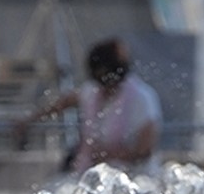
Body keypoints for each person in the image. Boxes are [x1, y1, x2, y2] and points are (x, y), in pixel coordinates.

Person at [15, 38, 162, 178]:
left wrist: (107, 155)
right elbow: (63, 103)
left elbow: (145, 150)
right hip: (98, 177)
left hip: (136, 180)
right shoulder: (93, 91)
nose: (103, 86)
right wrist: (30, 119)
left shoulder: (142, 98)